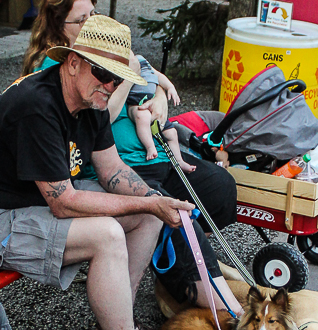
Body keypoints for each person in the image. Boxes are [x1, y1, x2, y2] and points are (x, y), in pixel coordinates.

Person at [0, 14, 202, 330]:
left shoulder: (91, 99)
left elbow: (111, 171)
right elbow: (63, 200)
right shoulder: (37, 105)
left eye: (115, 78)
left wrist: (156, 199)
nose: (109, 86)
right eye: (101, 73)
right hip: (5, 214)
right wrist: (147, 201)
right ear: (72, 62)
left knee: (148, 214)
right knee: (108, 234)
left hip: (35, 203)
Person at [22, 0, 241, 308]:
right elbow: (99, 125)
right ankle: (219, 304)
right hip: (104, 170)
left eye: (94, 15)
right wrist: (126, 77)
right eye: (81, 20)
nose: (91, 25)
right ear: (60, 28)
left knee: (217, 189)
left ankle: (178, 271)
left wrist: (158, 95)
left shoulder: (104, 66)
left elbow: (147, 83)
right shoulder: (62, 81)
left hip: (149, 154)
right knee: (163, 215)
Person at [126, 55, 193, 171]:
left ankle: (178, 161)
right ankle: (150, 147)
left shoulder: (141, 60)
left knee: (172, 133)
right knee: (143, 116)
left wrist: (170, 87)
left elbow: (158, 75)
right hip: (135, 104)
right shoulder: (122, 63)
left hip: (152, 101)